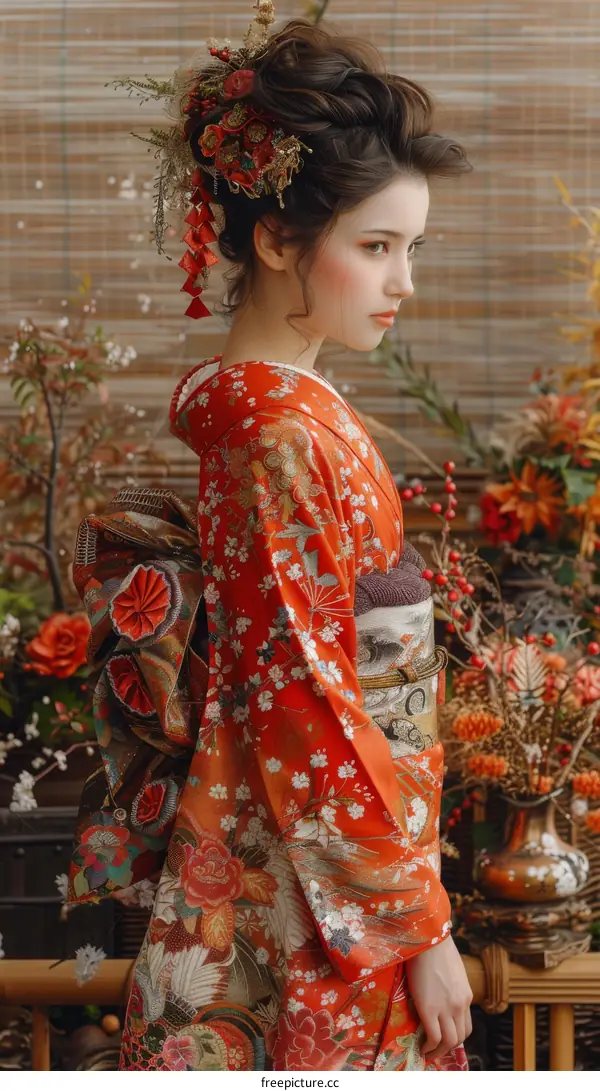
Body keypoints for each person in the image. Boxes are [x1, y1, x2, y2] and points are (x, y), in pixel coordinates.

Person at [67, 1, 474, 1071]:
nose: (403, 282)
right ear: (278, 237)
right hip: (314, 865)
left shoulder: (288, 411)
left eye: (411, 248)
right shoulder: (275, 434)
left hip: (340, 826)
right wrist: (417, 926)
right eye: (375, 247)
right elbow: (300, 690)